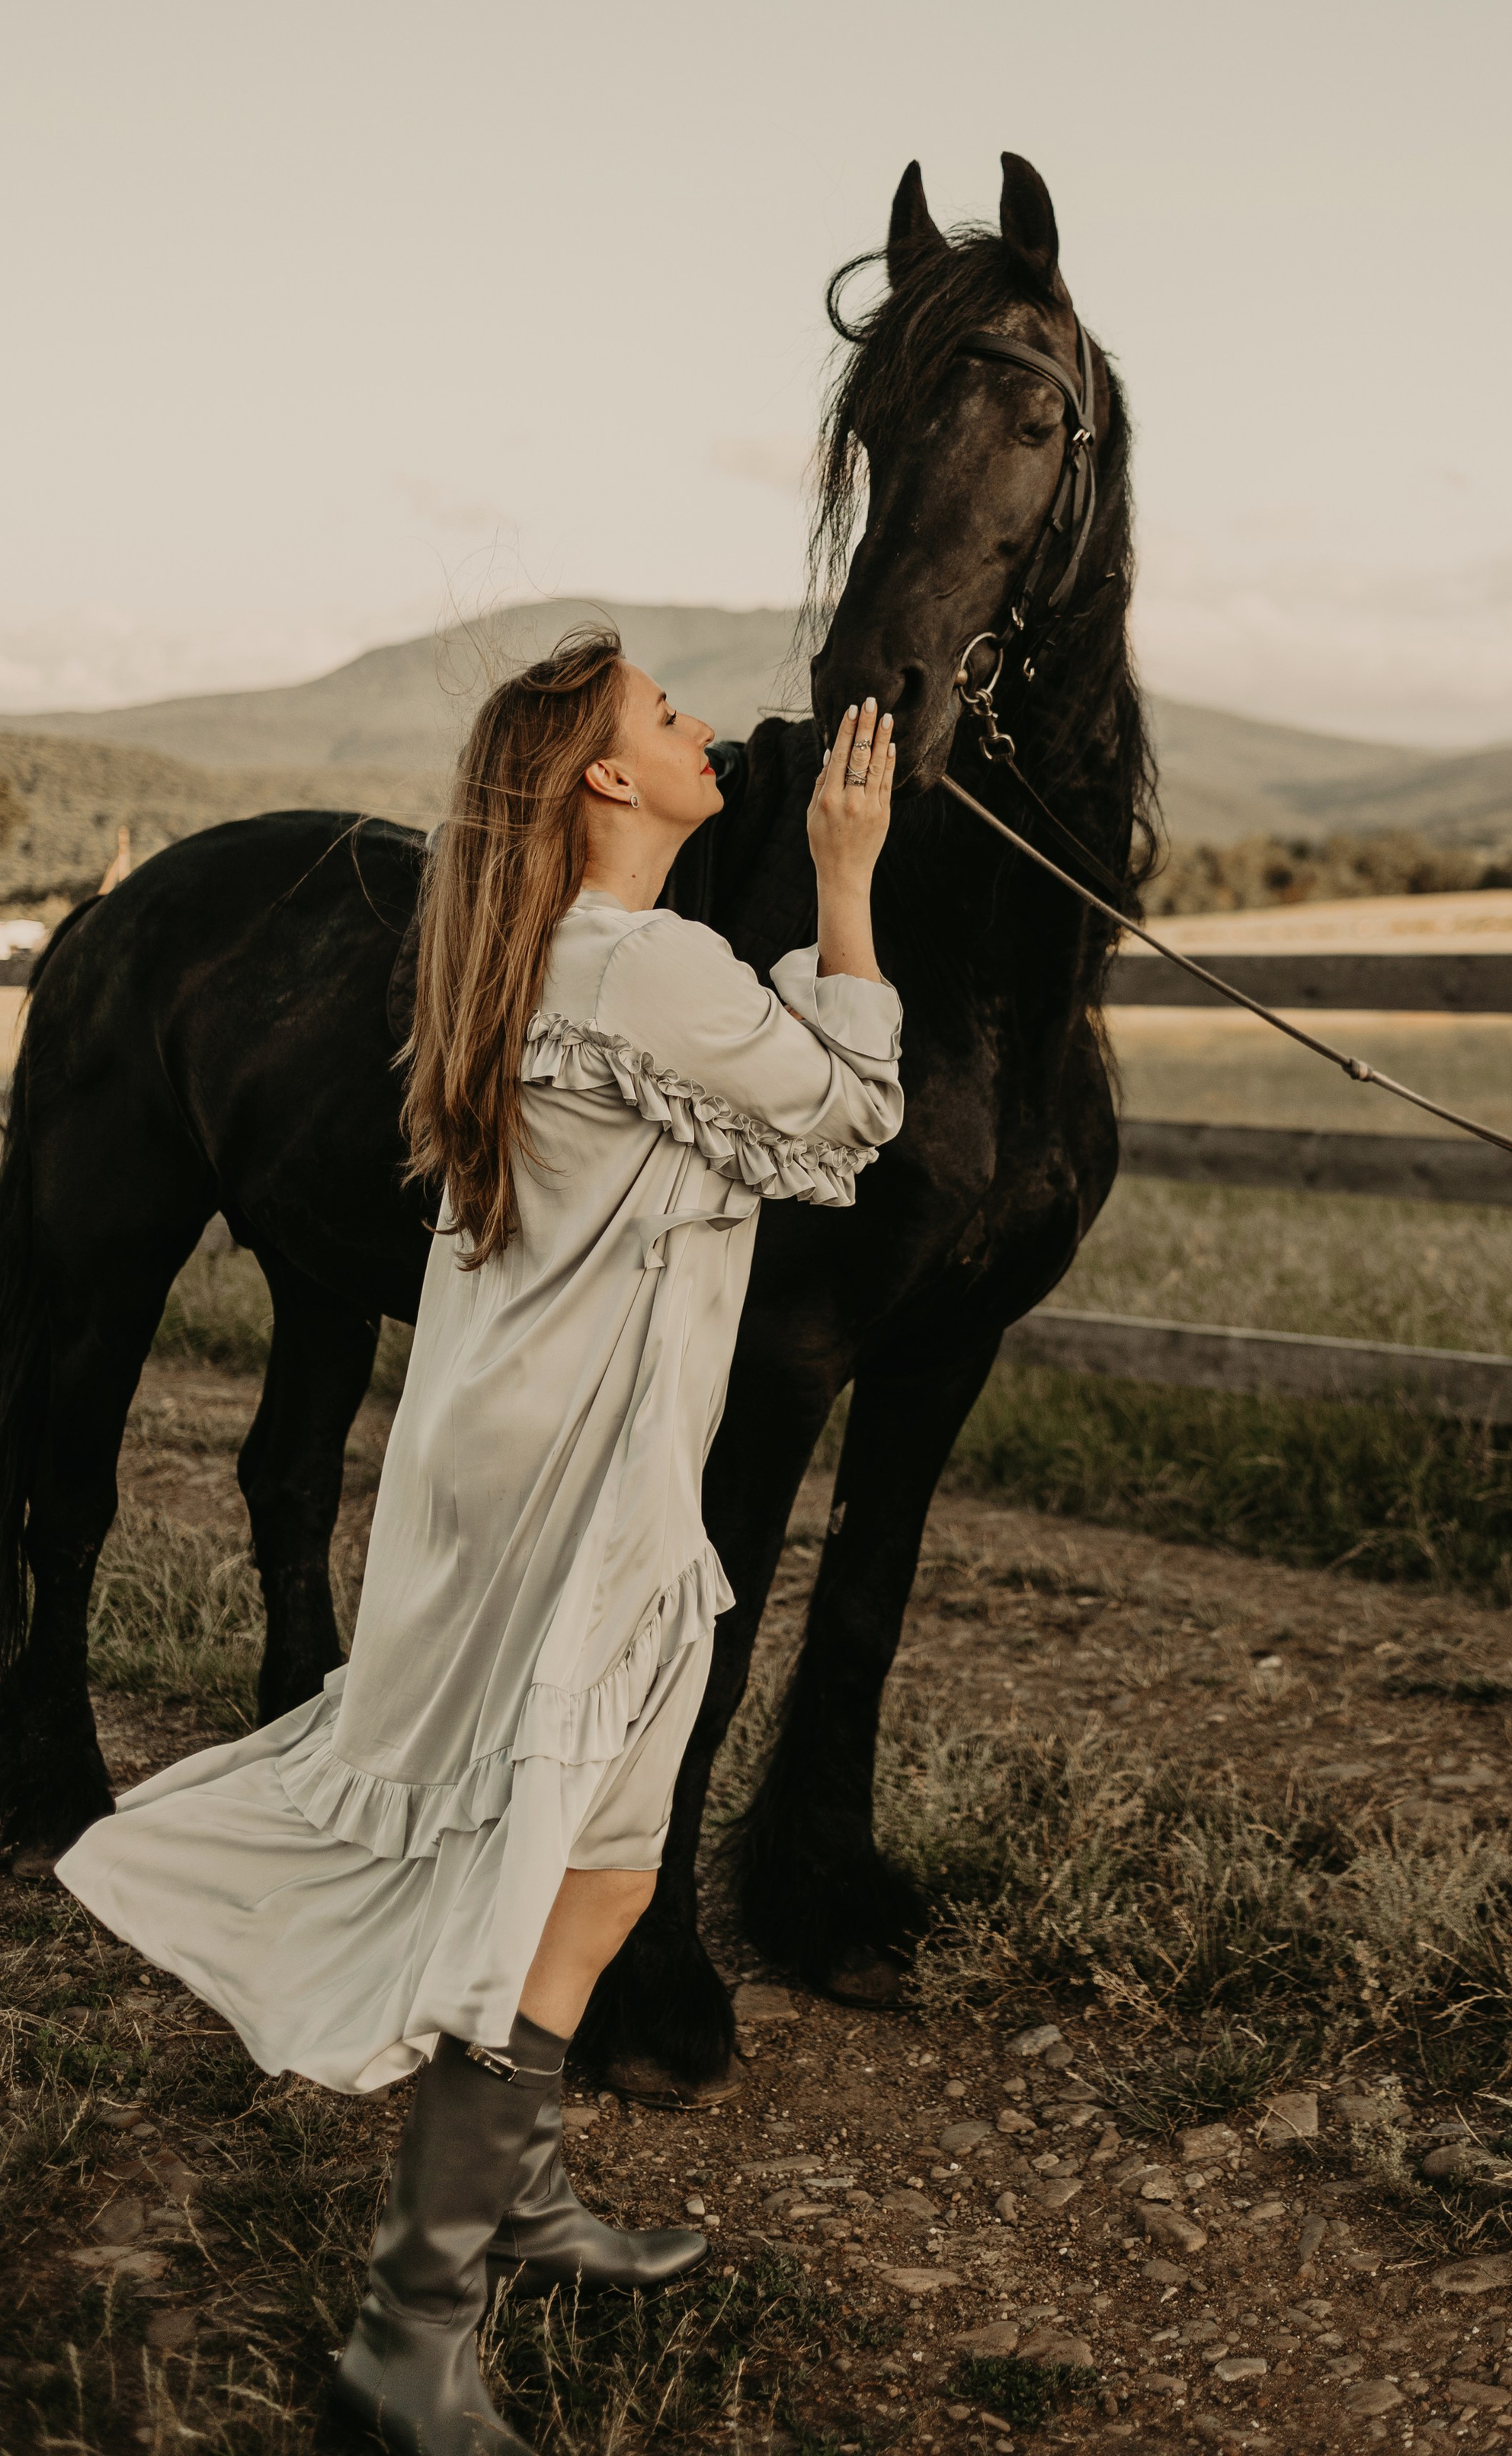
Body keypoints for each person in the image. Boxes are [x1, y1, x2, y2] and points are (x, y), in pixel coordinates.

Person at [57, 631, 904, 2456]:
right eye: (666, 722)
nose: (704, 736)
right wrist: (843, 884)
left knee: (602, 1854)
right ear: (606, 782)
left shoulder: (557, 958)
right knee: (550, 1862)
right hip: (578, 1482)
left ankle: (507, 2196)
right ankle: (410, 2334)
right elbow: (850, 1118)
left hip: (536, 1455)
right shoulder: (649, 971)